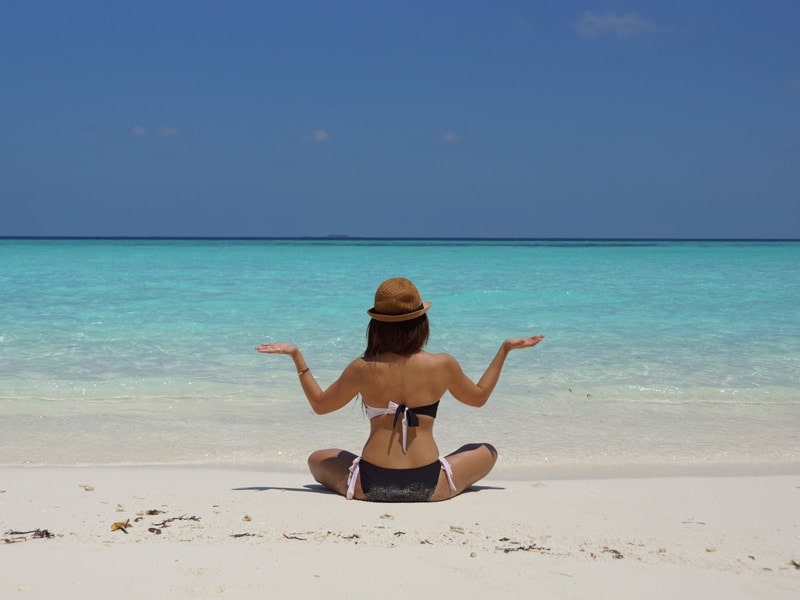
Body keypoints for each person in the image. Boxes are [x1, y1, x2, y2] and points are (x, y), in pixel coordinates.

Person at [255, 277, 543, 502]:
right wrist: (504, 350)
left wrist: (297, 357)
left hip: (371, 485)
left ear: (376, 326)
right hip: (430, 486)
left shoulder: (362, 368)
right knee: (485, 451)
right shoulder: (442, 364)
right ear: (421, 323)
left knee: (317, 458)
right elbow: (478, 398)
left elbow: (320, 406)